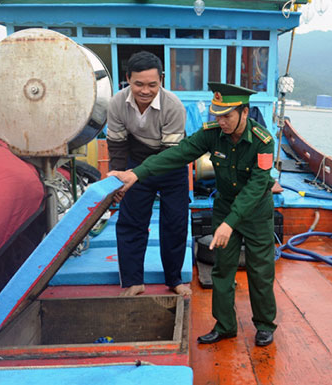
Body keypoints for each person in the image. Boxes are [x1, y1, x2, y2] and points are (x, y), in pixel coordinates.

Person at [109, 82, 277, 347]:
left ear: (244, 112)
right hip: (224, 207)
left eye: (227, 116)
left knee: (261, 270)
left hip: (255, 212)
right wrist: (136, 173)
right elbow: (178, 154)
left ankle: (265, 325)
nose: (220, 121)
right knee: (222, 269)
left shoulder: (264, 142)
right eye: (217, 115)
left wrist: (229, 224)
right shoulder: (212, 134)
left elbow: (257, 187)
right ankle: (225, 326)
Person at [107, 51, 191, 297]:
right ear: (127, 79)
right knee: (131, 222)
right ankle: (133, 281)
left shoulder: (173, 106)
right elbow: (117, 145)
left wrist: (137, 174)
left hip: (171, 163)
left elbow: (169, 154)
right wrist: (119, 178)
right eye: (139, 84)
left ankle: (174, 280)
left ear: (161, 80)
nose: (145, 90)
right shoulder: (116, 103)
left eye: (152, 85)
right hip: (135, 162)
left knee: (175, 224)